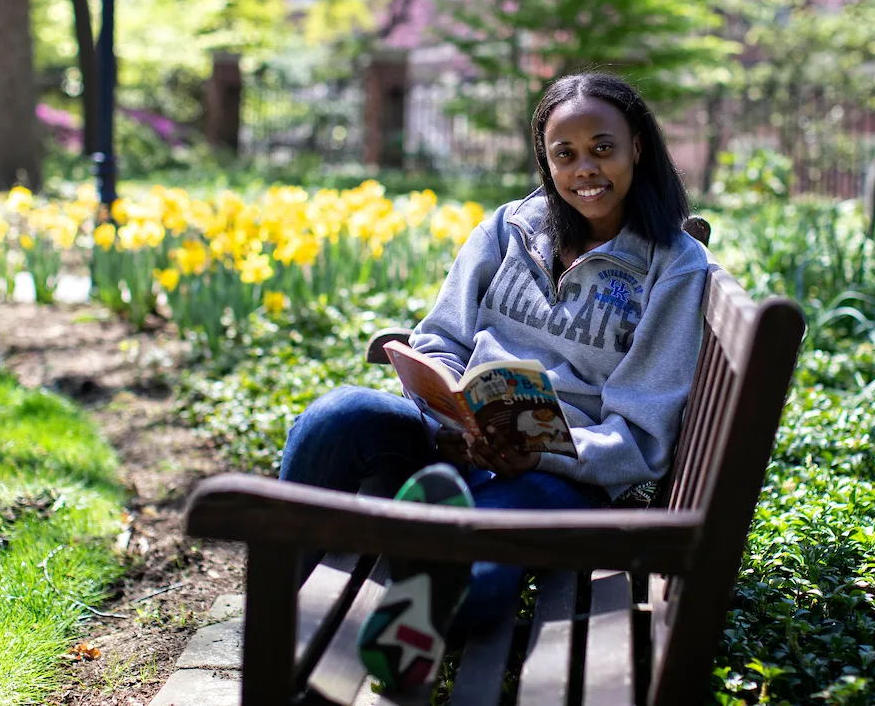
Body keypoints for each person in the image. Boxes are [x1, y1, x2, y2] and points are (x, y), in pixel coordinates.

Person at [278, 70, 708, 692]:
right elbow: (440, 338)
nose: (585, 168)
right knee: (336, 417)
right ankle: (297, 615)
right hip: (459, 440)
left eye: (603, 148)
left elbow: (640, 435)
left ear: (637, 146)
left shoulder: (672, 265)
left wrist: (540, 451)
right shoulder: (509, 229)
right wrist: (448, 416)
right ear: (546, 160)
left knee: (477, 566)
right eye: (566, 154)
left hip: (556, 473)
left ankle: (415, 590)